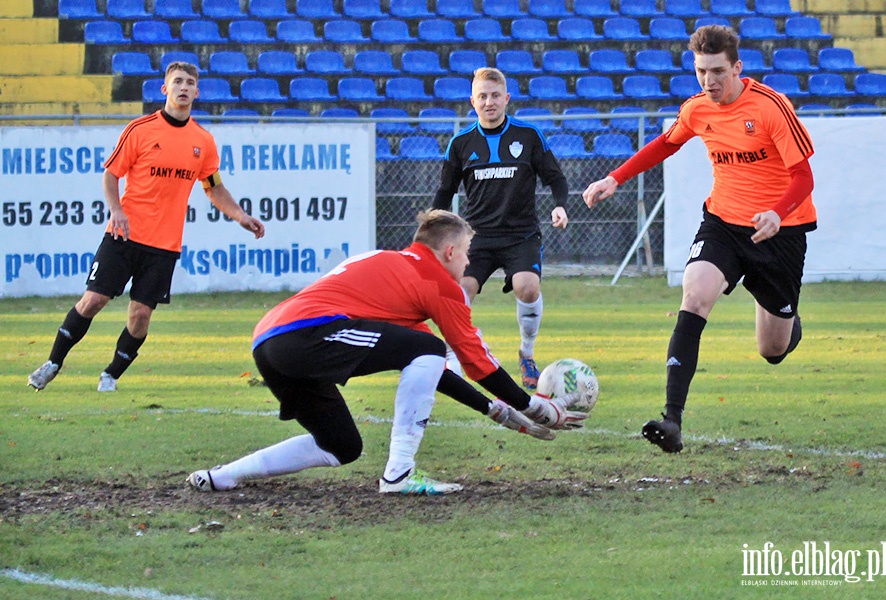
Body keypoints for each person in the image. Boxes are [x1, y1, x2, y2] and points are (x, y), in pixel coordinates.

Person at [187, 210, 587, 496]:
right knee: (429, 346)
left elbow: (429, 368)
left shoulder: (388, 264)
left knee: (340, 446)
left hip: (269, 341)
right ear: (449, 252)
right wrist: (532, 405)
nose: (468, 261)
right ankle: (399, 474)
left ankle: (224, 475)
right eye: (467, 252)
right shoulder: (436, 282)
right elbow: (473, 360)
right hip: (307, 335)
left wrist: (498, 412)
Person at [582, 25, 816, 453]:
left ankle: (788, 320)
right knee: (695, 294)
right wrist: (615, 178)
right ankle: (672, 420)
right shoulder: (696, 109)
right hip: (724, 223)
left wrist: (777, 214)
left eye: (718, 71)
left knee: (773, 349)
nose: (709, 81)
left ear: (737, 68)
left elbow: (804, 177)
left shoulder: (771, 108)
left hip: (779, 231)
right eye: (701, 71)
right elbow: (664, 145)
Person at [27, 62, 265, 393]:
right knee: (93, 300)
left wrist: (240, 215)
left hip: (164, 245)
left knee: (140, 317)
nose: (183, 87)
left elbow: (213, 186)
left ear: (197, 92)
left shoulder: (203, 142)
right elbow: (111, 174)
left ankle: (110, 375)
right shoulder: (140, 130)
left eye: (190, 82)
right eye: (177, 81)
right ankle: (53, 363)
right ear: (165, 90)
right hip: (124, 235)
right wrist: (117, 211)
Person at [433, 67, 570, 390]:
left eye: (495, 96)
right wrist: (434, 227)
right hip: (476, 238)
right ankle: (454, 357)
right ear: (472, 101)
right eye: (482, 96)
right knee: (459, 293)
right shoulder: (460, 143)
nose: (489, 102)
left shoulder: (529, 136)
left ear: (506, 98)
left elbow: (556, 178)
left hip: (520, 235)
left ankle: (526, 352)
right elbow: (444, 191)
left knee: (527, 287)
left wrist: (560, 205)